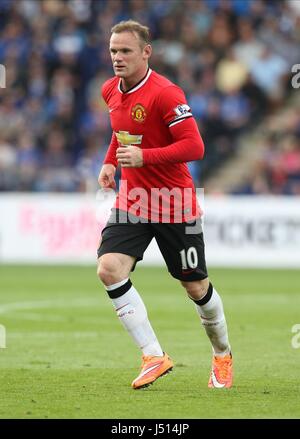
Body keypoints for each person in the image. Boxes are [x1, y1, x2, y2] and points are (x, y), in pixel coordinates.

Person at [97, 20, 233, 389]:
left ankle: (222, 355)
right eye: (113, 50)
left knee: (196, 288)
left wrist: (145, 158)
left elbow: (195, 147)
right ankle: (153, 355)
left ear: (146, 52)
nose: (117, 58)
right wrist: (111, 161)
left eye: (125, 50)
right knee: (109, 269)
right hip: (134, 200)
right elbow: (120, 133)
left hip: (175, 204)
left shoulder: (167, 93)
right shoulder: (110, 90)